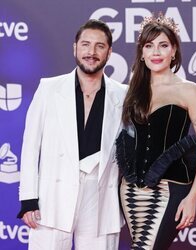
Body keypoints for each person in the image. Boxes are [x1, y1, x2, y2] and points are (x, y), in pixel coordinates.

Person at [17, 19, 127, 250]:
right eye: (86, 44)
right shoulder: (49, 88)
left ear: (109, 52)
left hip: (101, 199)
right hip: (52, 199)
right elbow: (30, 147)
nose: (92, 52)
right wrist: (28, 199)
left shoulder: (123, 95)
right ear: (75, 48)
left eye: (100, 46)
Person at [116, 14, 196, 250]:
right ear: (141, 53)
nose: (156, 52)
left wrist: (192, 198)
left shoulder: (189, 91)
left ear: (173, 51)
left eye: (163, 45)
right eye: (149, 46)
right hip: (130, 191)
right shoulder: (133, 90)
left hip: (170, 189)